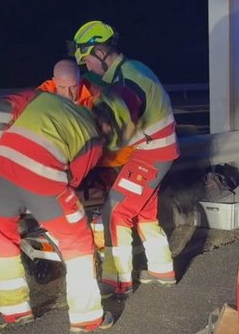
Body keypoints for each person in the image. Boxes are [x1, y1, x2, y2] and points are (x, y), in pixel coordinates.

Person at [0, 90, 114, 334]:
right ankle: (86, 317)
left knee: (2, 240)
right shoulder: (93, 140)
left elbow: (4, 105)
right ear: (105, 125)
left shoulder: (46, 99)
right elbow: (72, 180)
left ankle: (14, 311)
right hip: (41, 179)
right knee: (77, 238)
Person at [70, 20, 179, 298]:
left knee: (115, 211)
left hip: (151, 154)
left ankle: (117, 281)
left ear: (100, 53)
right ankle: (162, 270)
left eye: (87, 61)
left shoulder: (127, 81)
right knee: (142, 212)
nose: (87, 67)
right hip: (157, 150)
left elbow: (119, 119)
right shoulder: (131, 69)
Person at [0, 59, 99, 149]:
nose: (68, 93)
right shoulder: (41, 94)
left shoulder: (95, 95)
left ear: (80, 81)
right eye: (62, 87)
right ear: (54, 81)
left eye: (73, 87)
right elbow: (5, 108)